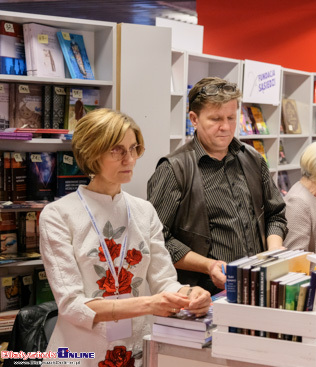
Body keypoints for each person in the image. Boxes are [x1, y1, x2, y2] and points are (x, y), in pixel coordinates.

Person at [39, 108, 211, 366]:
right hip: (80, 354)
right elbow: (72, 305)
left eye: (134, 149)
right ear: (91, 152)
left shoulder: (144, 211)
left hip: (137, 350)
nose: (129, 159)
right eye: (117, 150)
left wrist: (190, 294)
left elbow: (164, 281)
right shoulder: (58, 215)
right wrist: (149, 304)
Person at [147, 77, 287, 295]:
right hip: (202, 294)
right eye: (215, 119)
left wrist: (275, 250)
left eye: (231, 118)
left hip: (256, 287)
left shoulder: (252, 158)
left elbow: (275, 214)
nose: (226, 127)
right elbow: (156, 239)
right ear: (194, 119)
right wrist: (207, 265)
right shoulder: (174, 169)